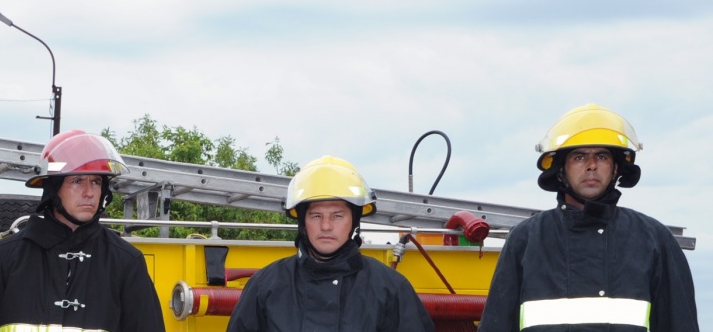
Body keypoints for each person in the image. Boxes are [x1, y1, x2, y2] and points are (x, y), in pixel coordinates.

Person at [479, 104, 699, 331]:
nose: (592, 166)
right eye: (579, 157)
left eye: (602, 156)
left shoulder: (655, 240)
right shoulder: (526, 240)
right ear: (560, 169)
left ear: (615, 169)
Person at [0, 129, 165, 332]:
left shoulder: (126, 262)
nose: (89, 193)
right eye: (77, 181)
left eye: (96, 182)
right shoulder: (6, 256)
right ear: (53, 188)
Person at [226, 156, 434, 332]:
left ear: (354, 220)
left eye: (337, 216)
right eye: (316, 216)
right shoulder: (265, 286)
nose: (326, 226)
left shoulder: (391, 289)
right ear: (302, 222)